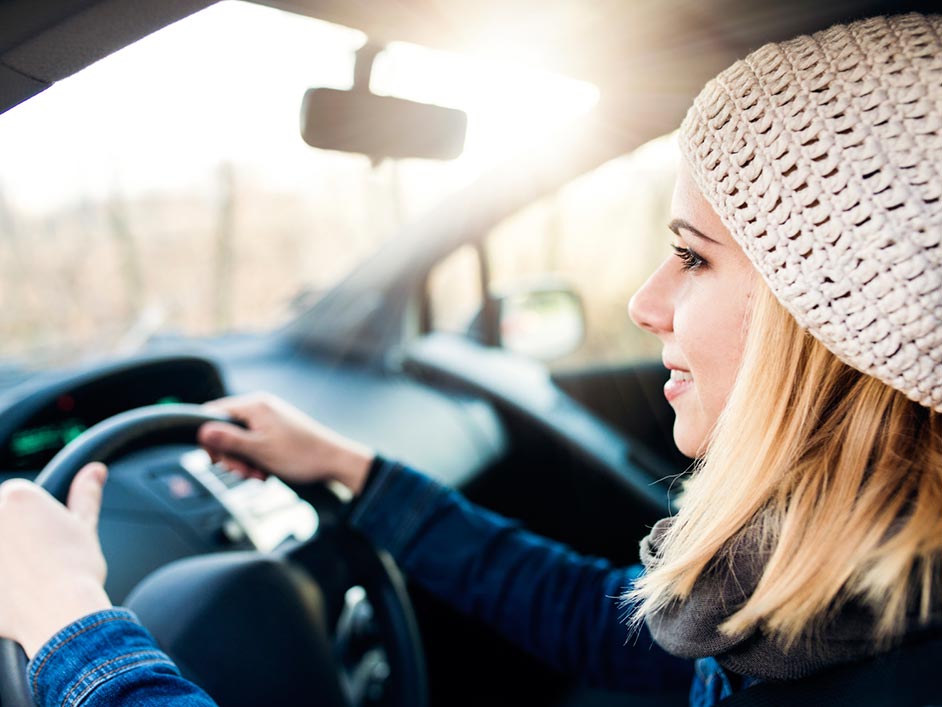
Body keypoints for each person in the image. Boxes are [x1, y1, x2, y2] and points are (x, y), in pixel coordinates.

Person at [1, 10, 941, 707]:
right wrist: (357, 473)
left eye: (692, 255)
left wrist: (69, 625)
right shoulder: (829, 586)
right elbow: (611, 623)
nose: (643, 301)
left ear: (837, 315)